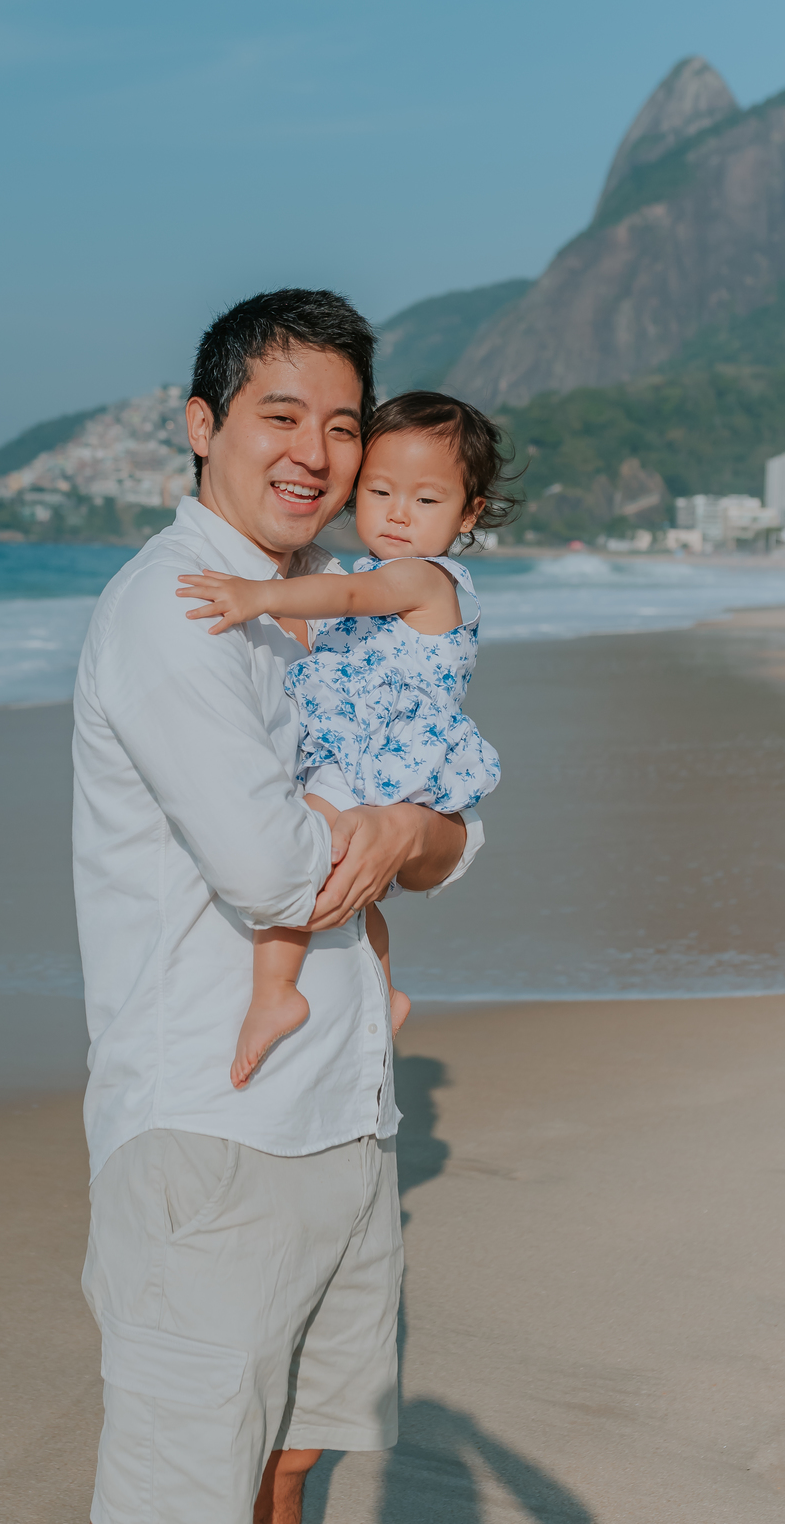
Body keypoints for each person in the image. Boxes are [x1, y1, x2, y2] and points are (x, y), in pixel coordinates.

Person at [72, 290, 485, 1524]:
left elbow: (441, 825)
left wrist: (405, 826)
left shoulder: (336, 605)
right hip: (218, 1125)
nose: (315, 452)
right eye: (280, 413)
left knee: (290, 1464)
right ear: (203, 425)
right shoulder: (179, 609)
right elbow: (269, 870)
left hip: (344, 1112)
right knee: (186, 1491)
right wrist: (395, 830)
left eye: (345, 426)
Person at [177, 390, 514, 1089]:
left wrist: (259, 595)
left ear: (468, 514)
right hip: (371, 753)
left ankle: (275, 991)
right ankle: (382, 990)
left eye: (426, 502)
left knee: (303, 852)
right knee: (355, 893)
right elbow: (337, 628)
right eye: (381, 490)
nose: (397, 513)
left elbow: (353, 603)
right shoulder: (367, 574)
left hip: (373, 759)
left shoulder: (421, 577)